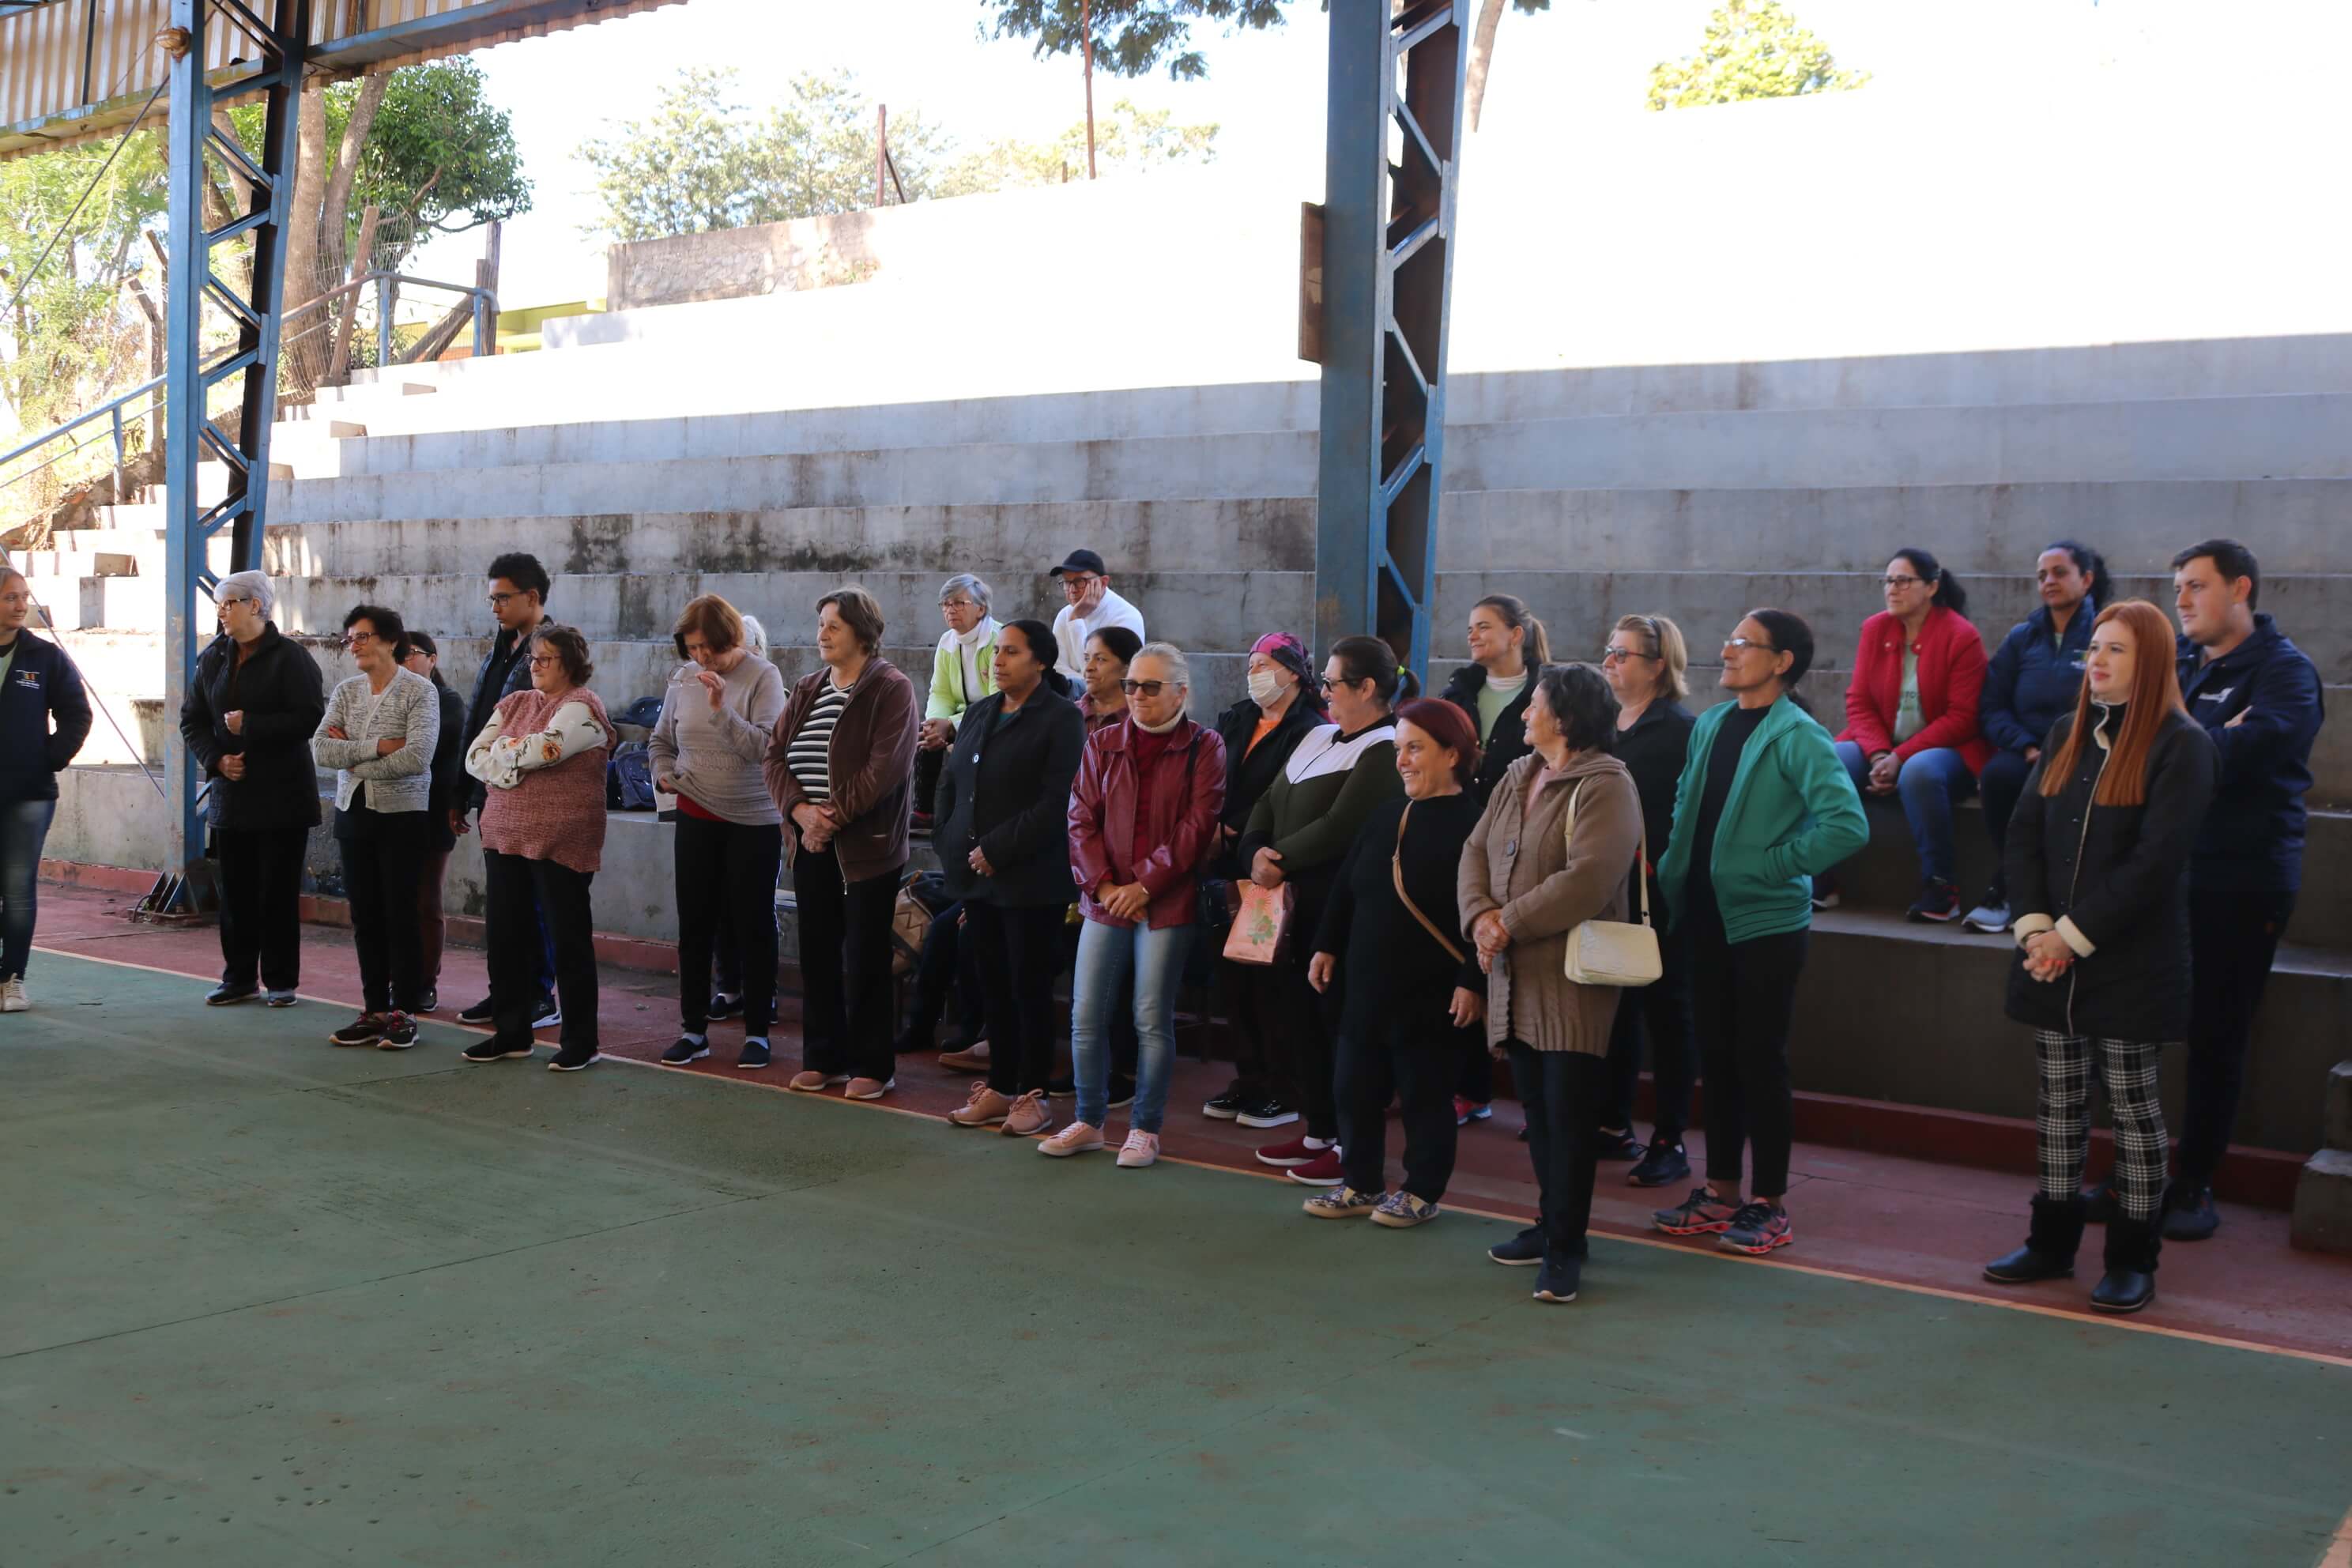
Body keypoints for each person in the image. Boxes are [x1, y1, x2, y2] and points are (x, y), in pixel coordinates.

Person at [1981, 600, 2216, 1314]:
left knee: (2135, 1110)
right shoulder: (2065, 732)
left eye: (2116, 651)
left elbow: (2155, 864)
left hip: (2129, 963)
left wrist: (2069, 937)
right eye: (2094, 650)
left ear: (2151, 664)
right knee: (2059, 1105)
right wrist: (2032, 930)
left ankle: (2131, 1258)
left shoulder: (2183, 744)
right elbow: (2023, 834)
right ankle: (2050, 1244)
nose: (2098, 663)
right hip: (2052, 956)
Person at [1653, 611, 1867, 1257]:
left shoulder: (1799, 735)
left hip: (1764, 923)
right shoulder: (1713, 723)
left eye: (1744, 643)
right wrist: (1672, 872)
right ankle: (1720, 1193)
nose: (1728, 649)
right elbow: (1687, 804)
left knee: (1759, 1059)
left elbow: (1847, 825)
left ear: (1781, 662)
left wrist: (1769, 867)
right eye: (1731, 639)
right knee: (1715, 1057)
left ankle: (1768, 1204)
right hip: (1702, 915)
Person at [1457, 665, 1643, 1302]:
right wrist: (1480, 917)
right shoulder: (1518, 775)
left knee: (1567, 1117)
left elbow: (1589, 879)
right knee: (1537, 1113)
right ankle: (1552, 1225)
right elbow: (1474, 852)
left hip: (1571, 979)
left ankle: (1565, 1248)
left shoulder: (1607, 786)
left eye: (1534, 704)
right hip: (1515, 970)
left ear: (1563, 718)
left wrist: (1504, 923)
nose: (1525, 714)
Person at [2161, 539, 2324, 1242]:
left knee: (2218, 1033)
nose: (2183, 600)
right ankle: (2140, 1171)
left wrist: (2186, 740)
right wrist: (2202, 736)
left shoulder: (2286, 672)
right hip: (2176, 871)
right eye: (2178, 590)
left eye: (2198, 586)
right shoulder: (2185, 664)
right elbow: (2174, 747)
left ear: (2241, 589)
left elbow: (2238, 752)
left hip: (2245, 879)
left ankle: (2194, 1181)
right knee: (2139, 1019)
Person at [1234, 637, 1411, 1182]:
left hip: (1335, 908)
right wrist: (1254, 851)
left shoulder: (1385, 747)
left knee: (1334, 1023)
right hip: (1283, 901)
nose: (1325, 692)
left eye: (1334, 683)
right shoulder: (1314, 734)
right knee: (1296, 1018)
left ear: (1368, 688)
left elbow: (1342, 827)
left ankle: (1347, 1142)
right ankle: (1318, 1128)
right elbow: (1266, 800)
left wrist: (1277, 860)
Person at [1302, 699, 1485, 1226]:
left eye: (1416, 749)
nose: (1402, 760)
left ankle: (1422, 1191)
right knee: (1352, 1088)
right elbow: (1347, 887)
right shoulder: (1388, 814)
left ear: (1452, 753)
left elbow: (1485, 914)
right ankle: (1359, 1182)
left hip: (1432, 992)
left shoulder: (1475, 825)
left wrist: (1473, 979)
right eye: (1400, 749)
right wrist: (1326, 944)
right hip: (1366, 984)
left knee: (1425, 1096)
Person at [1046, 643, 1227, 1167]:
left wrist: (1144, 887)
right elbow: (1080, 817)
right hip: (1105, 900)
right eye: (1131, 686)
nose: (1138, 696)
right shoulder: (1102, 743)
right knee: (1086, 1015)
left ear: (1180, 692)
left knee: (1150, 1016)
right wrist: (1103, 888)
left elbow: (1198, 826)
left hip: (1166, 904)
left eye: (1151, 686)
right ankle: (1089, 1119)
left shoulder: (1204, 746)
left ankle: (1145, 1129)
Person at [763, 587, 920, 1101]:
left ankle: (873, 1065)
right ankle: (823, 1057)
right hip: (810, 844)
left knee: (866, 956)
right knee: (818, 953)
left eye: (834, 625)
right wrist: (800, 812)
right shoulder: (808, 687)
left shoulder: (889, 688)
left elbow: (885, 767)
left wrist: (830, 816)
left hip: (867, 847)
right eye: (821, 624)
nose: (822, 634)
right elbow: (774, 757)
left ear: (862, 632)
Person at [935, 620, 1087, 1138]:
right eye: (996, 652)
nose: (998, 661)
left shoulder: (1061, 719)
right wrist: (950, 842)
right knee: (991, 983)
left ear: (1040, 661)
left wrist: (996, 850)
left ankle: (1033, 1094)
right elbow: (952, 782)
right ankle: (999, 1087)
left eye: (1012, 652)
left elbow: (1056, 800)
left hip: (1032, 879)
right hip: (977, 877)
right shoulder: (980, 712)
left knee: (1029, 986)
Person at [461, 624, 614, 1071]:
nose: (535, 666)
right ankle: (511, 1033)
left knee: (568, 943)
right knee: (505, 938)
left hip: (561, 841)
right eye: (533, 658)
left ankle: (581, 1042)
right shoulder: (515, 703)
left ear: (570, 663)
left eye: (546, 659)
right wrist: (512, 761)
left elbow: (548, 749)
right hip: (504, 836)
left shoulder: (583, 707)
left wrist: (505, 760)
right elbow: (475, 756)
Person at [650, 594, 788, 1072]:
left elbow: (766, 748)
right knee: (696, 924)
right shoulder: (682, 677)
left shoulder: (762, 676)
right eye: (692, 648)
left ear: (731, 637)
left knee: (752, 922)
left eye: (708, 646)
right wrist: (662, 770)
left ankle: (757, 1031)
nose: (701, 657)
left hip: (752, 818)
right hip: (695, 811)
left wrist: (719, 709)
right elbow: (660, 740)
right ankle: (693, 1029)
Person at [179, 570, 326, 1008]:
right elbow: (193, 720)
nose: (221, 612)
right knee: (237, 894)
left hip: (282, 796)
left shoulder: (291, 658)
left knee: (277, 893)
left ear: (255, 606)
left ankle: (281, 981)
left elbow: (309, 717)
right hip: (232, 794)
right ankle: (238, 977)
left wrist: (252, 726)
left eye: (229, 603)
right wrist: (217, 760)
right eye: (219, 604)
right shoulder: (213, 658)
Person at [1830, 548, 1990, 923]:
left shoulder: (1961, 636)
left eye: (1903, 580)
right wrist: (1877, 755)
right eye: (1888, 581)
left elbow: (1963, 717)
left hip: (1947, 748)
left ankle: (1941, 886)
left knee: (1919, 771)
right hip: (1881, 745)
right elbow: (1859, 701)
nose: (1893, 589)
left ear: (1932, 586)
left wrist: (1900, 758)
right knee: (1833, 759)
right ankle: (1821, 875)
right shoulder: (1874, 629)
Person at [1201, 631, 1323, 1118]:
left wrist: (1236, 827)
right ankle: (1249, 1077)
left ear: (1292, 672)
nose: (1254, 674)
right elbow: (1210, 775)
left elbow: (1287, 793)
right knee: (1234, 979)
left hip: (1269, 863)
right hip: (1225, 865)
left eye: (1263, 664)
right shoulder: (1238, 718)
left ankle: (1284, 1086)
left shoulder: (1311, 728)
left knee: (1273, 983)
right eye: (1250, 665)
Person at [1438, 594, 1550, 1125]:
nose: (1473, 636)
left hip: (1518, 847)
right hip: (1460, 836)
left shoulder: (1545, 694)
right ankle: (1463, 1084)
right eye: (1469, 628)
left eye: (1484, 627)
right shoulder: (1459, 691)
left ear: (1516, 634)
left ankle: (1515, 1094)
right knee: (1455, 956)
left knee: (1505, 961)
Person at [1596, 614, 1699, 1188]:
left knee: (1668, 1015)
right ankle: (1613, 1124)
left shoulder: (1683, 730)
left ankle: (1670, 1138)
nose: (1610, 662)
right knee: (1614, 1010)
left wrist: (1662, 861)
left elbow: (1689, 814)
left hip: (1659, 895)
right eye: (1609, 652)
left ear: (1659, 665)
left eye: (1624, 654)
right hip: (1606, 890)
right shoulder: (1603, 725)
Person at [311, 605, 439, 1049]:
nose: (355, 645)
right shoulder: (347, 692)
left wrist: (357, 757)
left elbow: (417, 757)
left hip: (403, 816)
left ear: (390, 641)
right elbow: (322, 750)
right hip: (354, 813)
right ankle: (374, 1008)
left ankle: (404, 1011)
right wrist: (380, 747)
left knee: (401, 913)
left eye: (363, 636)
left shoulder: (419, 693)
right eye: (351, 639)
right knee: (365, 916)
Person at [1966, 541, 2105, 933]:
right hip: (2026, 748)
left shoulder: (2105, 632)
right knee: (1998, 776)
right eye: (2042, 575)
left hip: (2086, 750)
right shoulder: (2022, 637)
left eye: (2060, 573)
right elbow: (1991, 704)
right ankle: (2015, 886)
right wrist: (2025, 744)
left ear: (2087, 579)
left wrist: (2063, 748)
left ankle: (2028, 890)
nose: (2049, 582)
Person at [454, 552, 559, 1031]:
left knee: (533, 901)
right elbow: (479, 722)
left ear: (532, 598)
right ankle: (504, 992)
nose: (494, 607)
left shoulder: (554, 650)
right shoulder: (500, 647)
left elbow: (541, 725)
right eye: (492, 598)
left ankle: (539, 994)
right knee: (502, 905)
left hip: (532, 796)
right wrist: (462, 793)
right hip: (492, 794)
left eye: (503, 598)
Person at [0, 566, 91, 1012]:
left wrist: (47, 757)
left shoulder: (44, 656)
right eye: (10, 598)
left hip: (29, 794)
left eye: (24, 597)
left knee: (17, 887)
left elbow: (77, 714)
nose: (21, 606)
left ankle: (12, 980)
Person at [399, 631, 468, 1014]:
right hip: (391, 808)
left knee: (426, 900)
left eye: (412, 654)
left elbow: (428, 749)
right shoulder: (382, 696)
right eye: (399, 655)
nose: (405, 661)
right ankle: (399, 979)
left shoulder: (448, 701)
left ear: (433, 659)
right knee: (394, 900)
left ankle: (426, 982)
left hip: (432, 811)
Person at [914, 574, 998, 827]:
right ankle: (923, 810)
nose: (951, 609)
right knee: (925, 735)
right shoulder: (947, 641)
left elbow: (998, 698)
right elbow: (940, 691)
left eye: (960, 603)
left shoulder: (998, 638)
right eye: (946, 604)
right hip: (961, 716)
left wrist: (952, 725)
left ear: (981, 609)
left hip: (991, 716)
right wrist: (936, 722)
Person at [1046, 548, 1145, 682]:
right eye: (1067, 582)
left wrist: (1076, 620)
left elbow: (1109, 676)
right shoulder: (1065, 614)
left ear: (1103, 582)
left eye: (1080, 581)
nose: (1072, 590)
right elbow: (1056, 666)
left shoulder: (1125, 617)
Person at [1079, 626, 1144, 733]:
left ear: (1129, 666)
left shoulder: (1143, 719)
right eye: (1087, 659)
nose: (1088, 668)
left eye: (1100, 659)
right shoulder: (1067, 714)